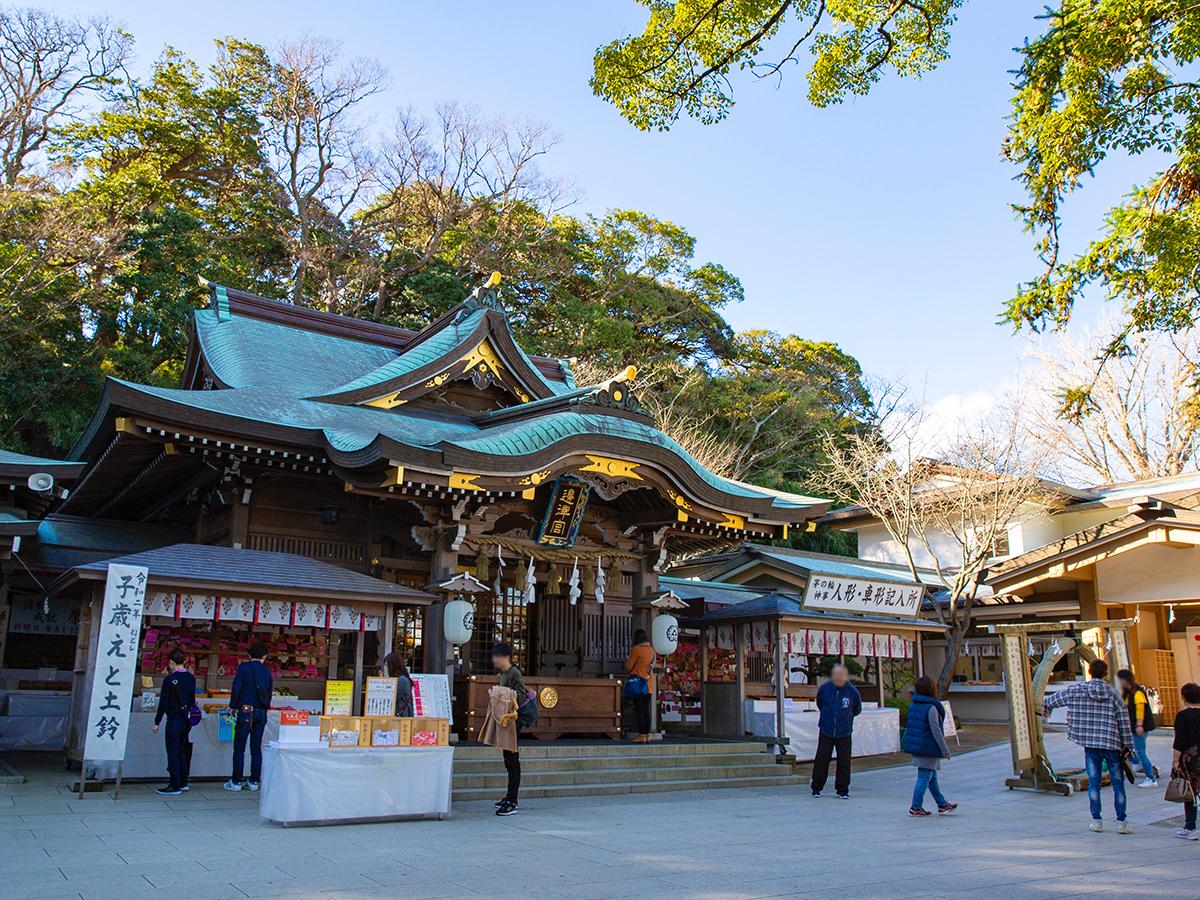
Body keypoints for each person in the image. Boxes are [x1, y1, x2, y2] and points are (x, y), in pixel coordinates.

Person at [1044, 658, 1134, 833]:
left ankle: (1096, 820)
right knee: (1118, 784)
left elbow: (1051, 701)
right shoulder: (1113, 694)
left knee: (1094, 783)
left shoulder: (1076, 690)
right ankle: (1122, 822)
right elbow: (1123, 721)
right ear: (1106, 673)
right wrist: (1128, 746)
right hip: (1111, 743)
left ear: (1090, 672)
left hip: (1090, 744)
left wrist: (1047, 711)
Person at [903, 675, 956, 817]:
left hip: (919, 745)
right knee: (925, 776)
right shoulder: (931, 707)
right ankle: (915, 807)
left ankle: (942, 804)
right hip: (928, 747)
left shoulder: (914, 704)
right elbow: (936, 730)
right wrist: (945, 750)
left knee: (931, 777)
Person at [224, 642, 273, 792]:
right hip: (261, 712)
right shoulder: (267, 672)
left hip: (245, 711)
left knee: (239, 748)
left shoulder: (244, 668)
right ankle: (254, 781)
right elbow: (269, 692)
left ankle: (236, 781)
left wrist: (232, 705)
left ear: (249, 655)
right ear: (265, 656)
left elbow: (237, 687)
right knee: (256, 748)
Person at [810, 663, 862, 799]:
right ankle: (817, 787)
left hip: (844, 732)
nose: (839, 677)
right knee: (822, 759)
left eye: (841, 675)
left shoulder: (852, 691)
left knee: (844, 761)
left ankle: (842, 789)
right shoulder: (825, 689)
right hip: (826, 730)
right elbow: (820, 703)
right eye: (836, 674)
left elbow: (857, 709)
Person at [152, 649, 196, 796]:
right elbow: (192, 699)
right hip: (187, 719)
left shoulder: (169, 680)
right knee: (182, 750)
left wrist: (157, 721)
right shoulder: (191, 678)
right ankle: (183, 782)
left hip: (174, 719)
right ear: (184, 661)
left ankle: (174, 784)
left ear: (171, 662)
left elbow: (163, 703)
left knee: (173, 751)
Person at [492, 642, 527, 817]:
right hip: (507, 721)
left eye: (497, 656)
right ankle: (509, 796)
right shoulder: (505, 673)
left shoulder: (514, 673)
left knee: (512, 760)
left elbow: (520, 694)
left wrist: (503, 694)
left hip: (514, 721)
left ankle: (513, 801)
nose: (494, 659)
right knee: (508, 759)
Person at [1116, 669, 1158, 787]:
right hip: (1132, 727)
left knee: (1140, 752)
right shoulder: (1128, 692)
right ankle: (1138, 765)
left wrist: (1139, 725)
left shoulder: (1137, 692)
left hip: (1139, 727)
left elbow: (1140, 710)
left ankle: (1151, 778)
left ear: (1125, 680)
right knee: (1130, 749)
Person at [1171, 682, 1200, 841]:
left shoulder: (1183, 716)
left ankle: (1190, 827)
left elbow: (1179, 741)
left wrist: (1175, 761)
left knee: (1191, 792)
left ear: (1184, 698)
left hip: (1191, 760)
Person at [624, 629, 655, 743]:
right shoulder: (651, 650)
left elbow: (629, 666)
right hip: (648, 684)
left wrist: (626, 662)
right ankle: (646, 735)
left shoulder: (637, 649)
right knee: (646, 711)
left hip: (638, 683)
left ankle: (641, 735)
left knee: (639, 710)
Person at [383, 651, 414, 717]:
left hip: (401, 717)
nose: (386, 668)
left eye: (386, 665)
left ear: (392, 665)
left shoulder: (401, 680)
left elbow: (391, 698)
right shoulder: (403, 679)